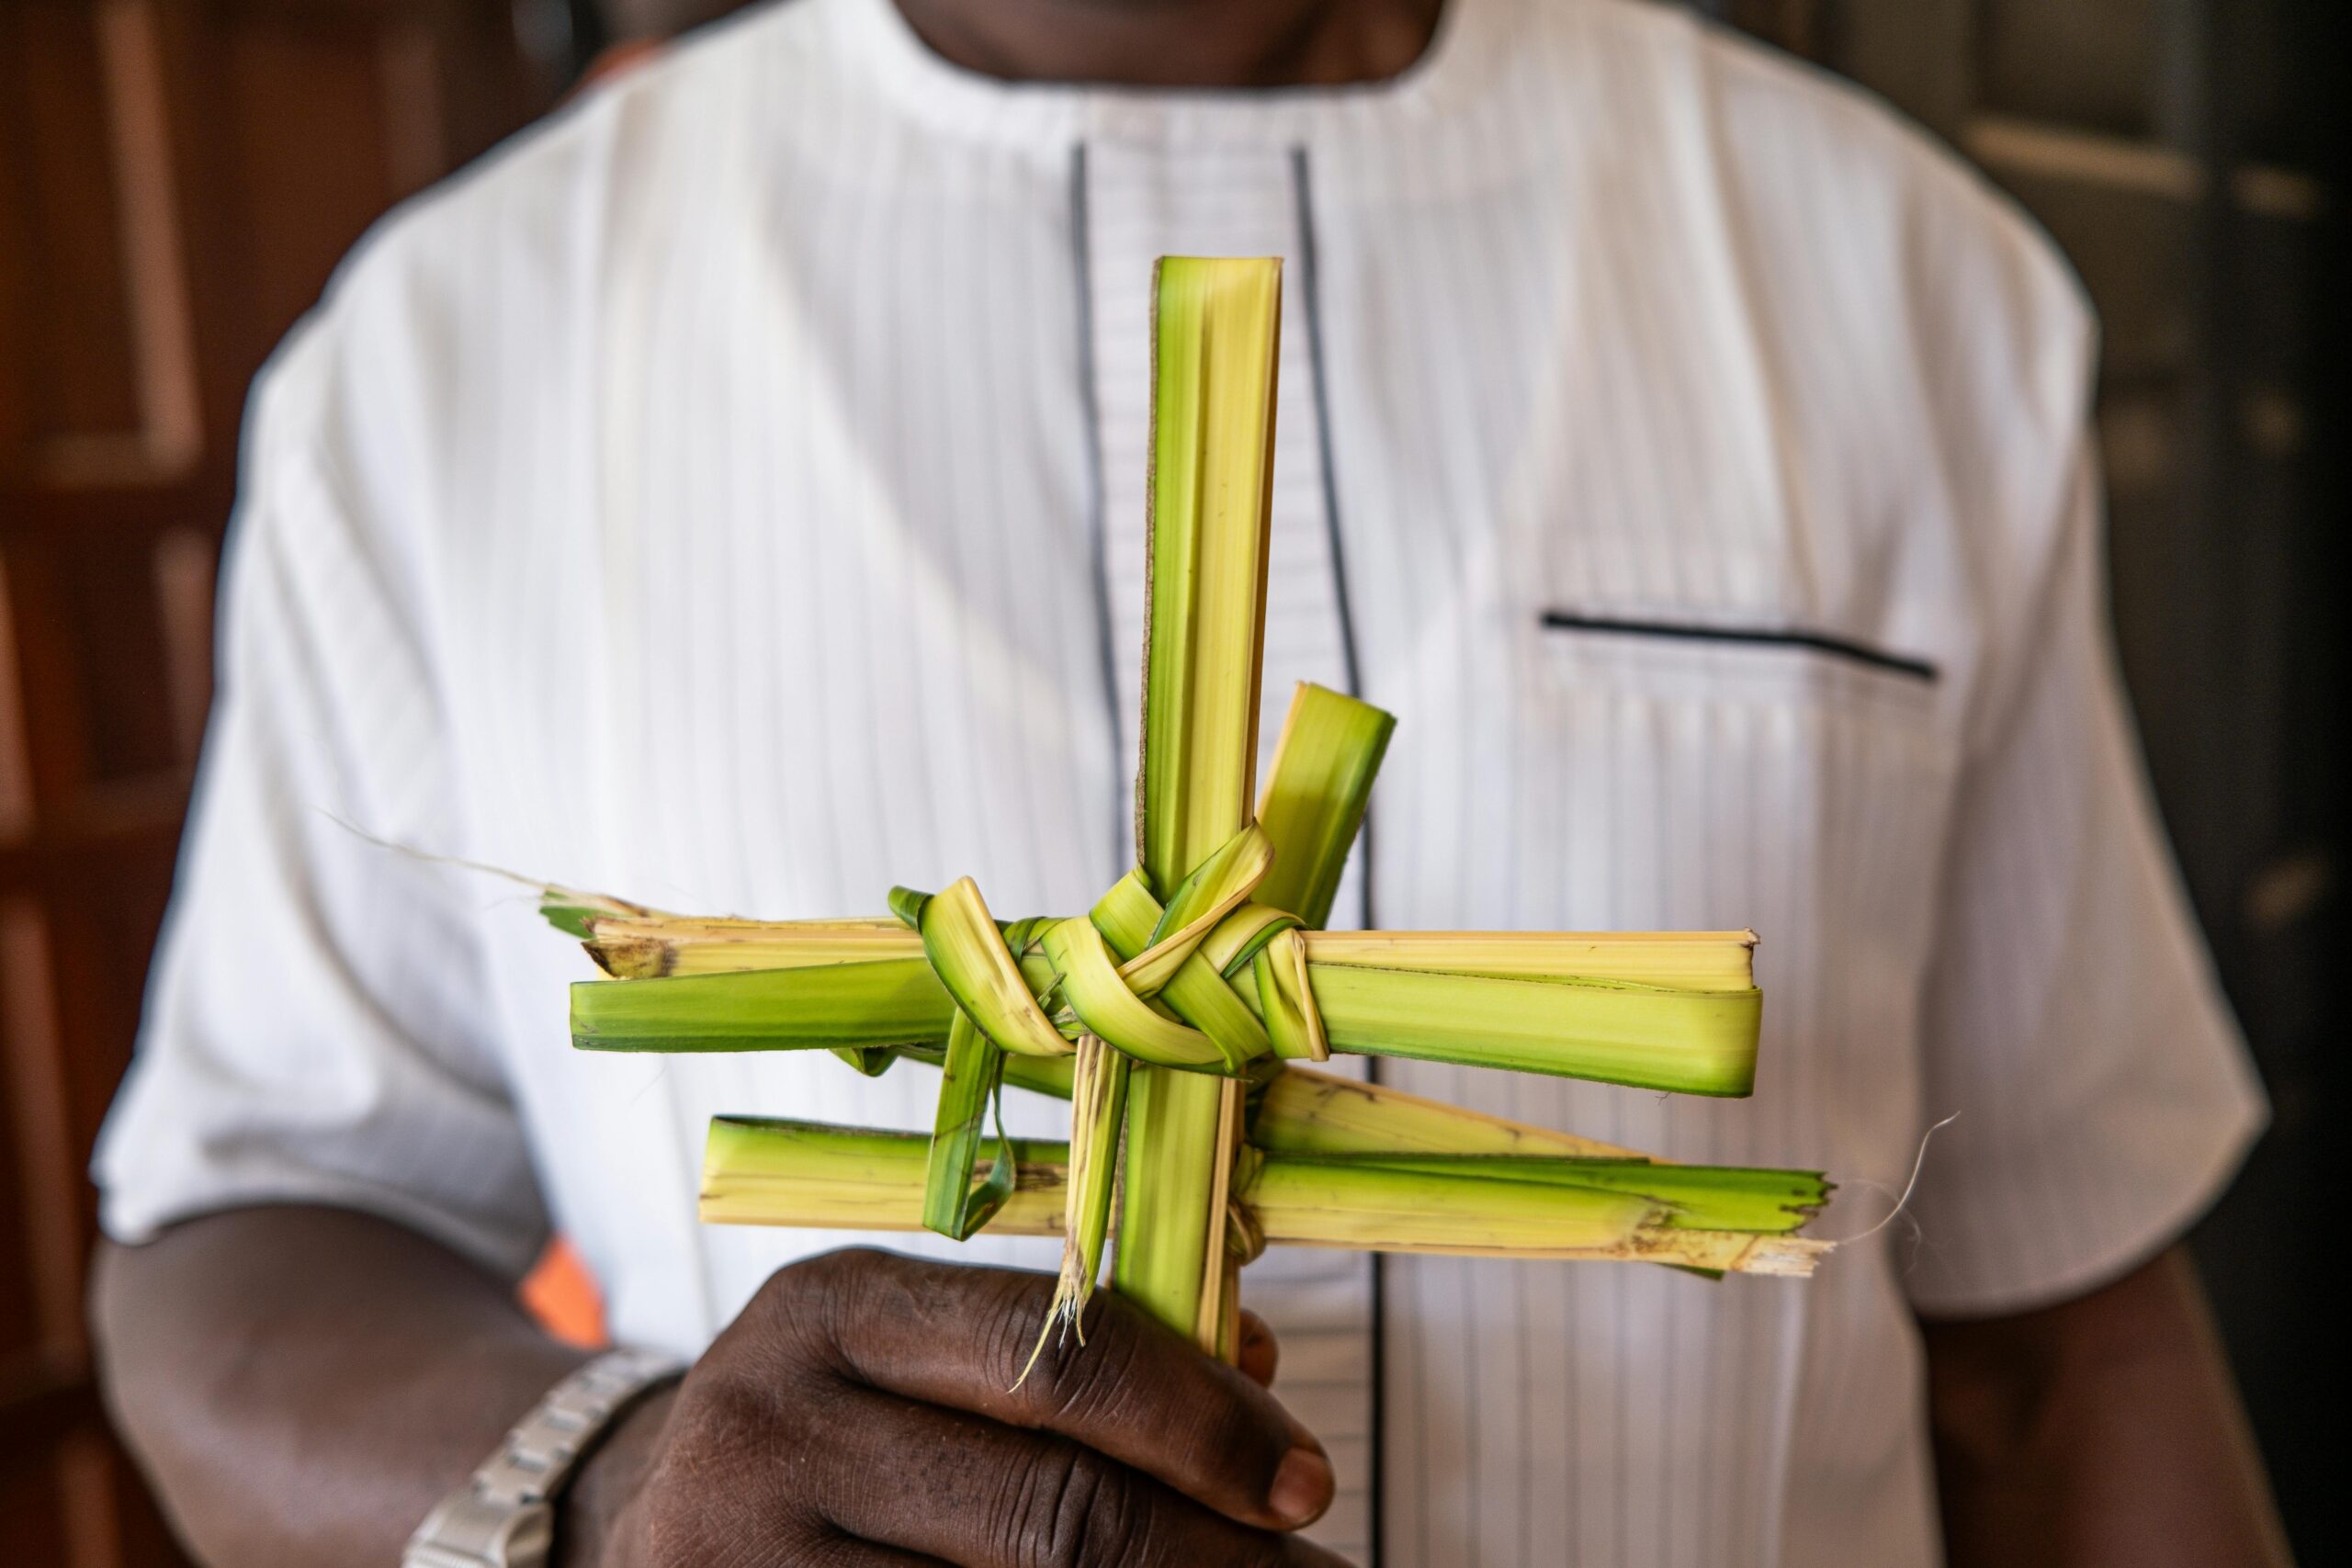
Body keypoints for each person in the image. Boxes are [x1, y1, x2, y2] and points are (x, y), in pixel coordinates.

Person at [88, 1, 2291, 1563]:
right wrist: (599, 1476)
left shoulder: (1894, 278)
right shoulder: (455, 345)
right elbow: (246, 1228)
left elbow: (2057, 1337)